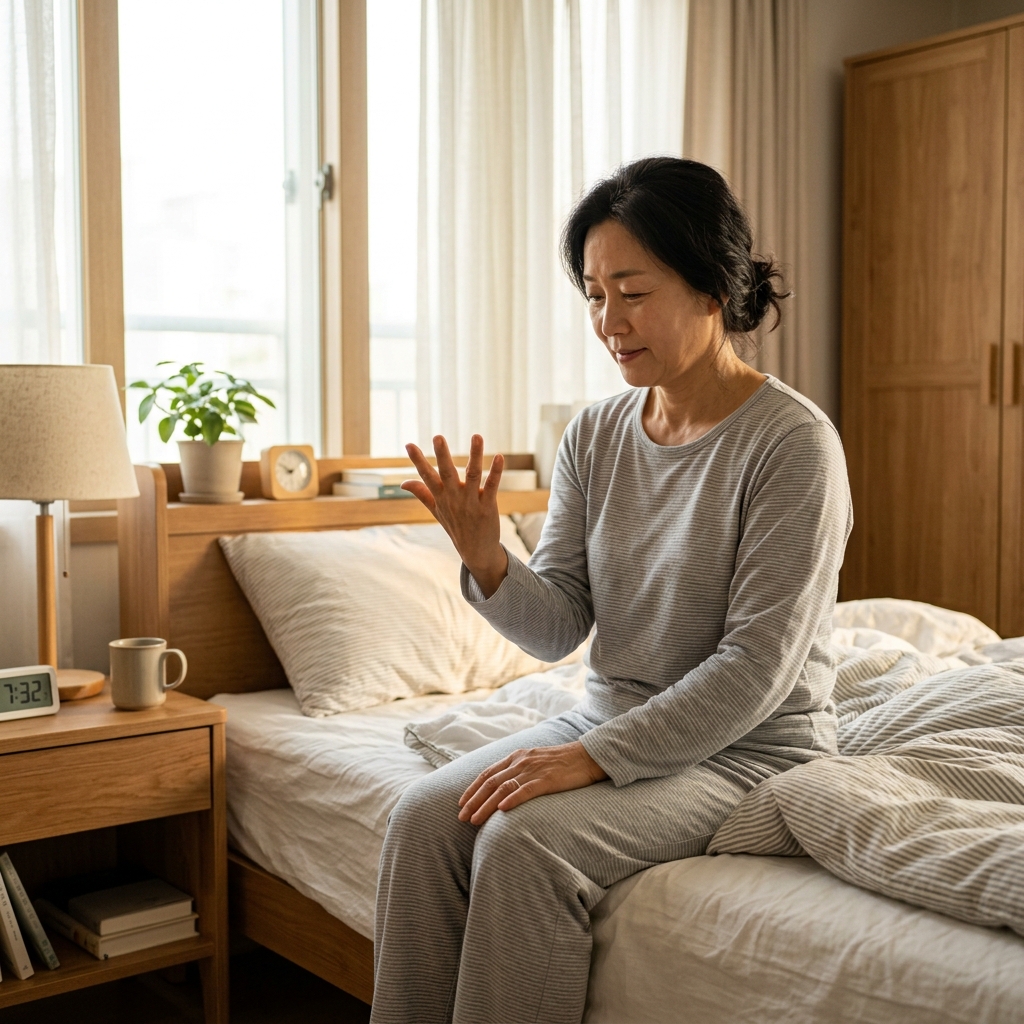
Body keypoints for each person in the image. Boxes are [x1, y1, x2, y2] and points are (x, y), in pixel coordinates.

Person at [369, 156, 853, 1024]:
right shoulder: (595, 433)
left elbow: (756, 667)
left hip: (746, 747)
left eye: (632, 292)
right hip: (610, 718)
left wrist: (588, 761)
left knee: (519, 845)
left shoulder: (793, 444)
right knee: (419, 819)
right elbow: (560, 627)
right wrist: (489, 561)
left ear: (712, 286)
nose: (607, 321)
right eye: (593, 294)